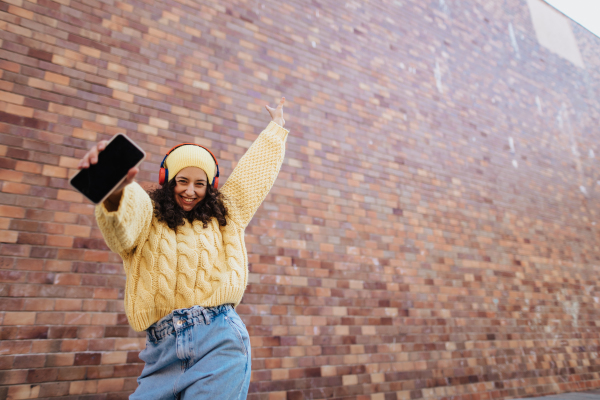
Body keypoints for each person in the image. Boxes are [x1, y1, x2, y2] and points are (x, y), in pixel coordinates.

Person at [77, 98, 289, 399]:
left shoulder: (226, 215)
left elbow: (253, 174)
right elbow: (123, 222)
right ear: (167, 180)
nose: (190, 191)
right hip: (161, 353)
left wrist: (275, 128)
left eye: (200, 184)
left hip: (219, 342)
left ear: (211, 185)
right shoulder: (149, 214)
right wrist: (115, 191)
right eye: (182, 181)